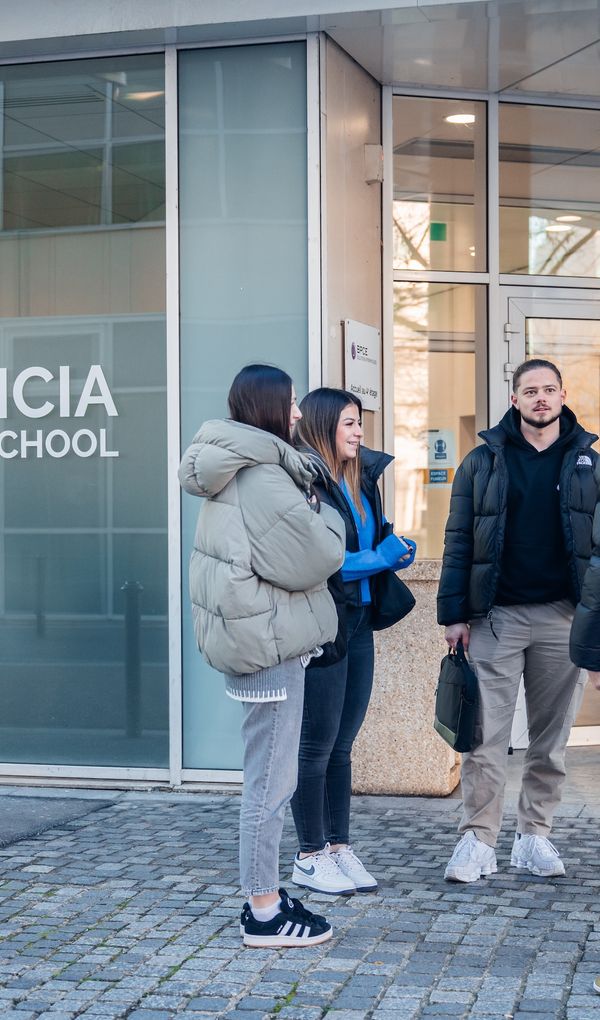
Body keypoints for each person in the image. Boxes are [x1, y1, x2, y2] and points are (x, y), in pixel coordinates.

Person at [178, 365, 345, 947]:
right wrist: (324, 507)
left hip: (256, 637)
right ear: (270, 408)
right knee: (271, 783)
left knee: (267, 776)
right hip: (268, 642)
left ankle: (265, 891)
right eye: (293, 403)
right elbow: (317, 555)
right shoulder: (263, 478)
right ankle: (265, 910)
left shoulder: (237, 467)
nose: (299, 413)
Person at [437, 359, 599, 883]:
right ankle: (477, 840)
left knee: (551, 740)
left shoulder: (589, 465)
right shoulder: (482, 462)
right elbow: (458, 539)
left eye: (549, 390)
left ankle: (535, 836)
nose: (541, 399)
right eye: (530, 391)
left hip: (562, 617)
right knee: (485, 736)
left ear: (563, 395)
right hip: (496, 617)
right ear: (514, 399)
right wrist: (454, 613)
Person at [289, 387, 416, 895]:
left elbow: (370, 542)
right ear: (322, 426)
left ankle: (339, 848)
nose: (359, 431)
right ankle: (309, 855)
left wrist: (394, 549)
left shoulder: (363, 481)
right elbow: (319, 561)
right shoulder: (304, 484)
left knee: (342, 744)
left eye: (360, 421)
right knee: (315, 745)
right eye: (348, 423)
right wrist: (380, 558)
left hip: (359, 621)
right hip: (323, 623)